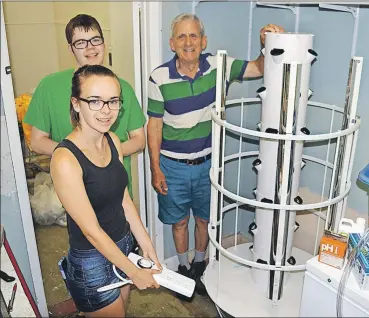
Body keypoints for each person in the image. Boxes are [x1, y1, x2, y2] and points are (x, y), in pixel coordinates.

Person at [147, 13, 284, 297]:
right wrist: (155, 169)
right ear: (172, 43)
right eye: (182, 37)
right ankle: (183, 268)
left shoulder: (219, 65)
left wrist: (268, 43)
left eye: (194, 36)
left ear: (203, 41)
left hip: (208, 165)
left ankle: (200, 263)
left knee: (203, 220)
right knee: (180, 222)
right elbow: (155, 125)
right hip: (172, 166)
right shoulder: (158, 77)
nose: (188, 42)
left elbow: (259, 68)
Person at [50, 64, 162, 317]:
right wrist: (134, 272)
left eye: (113, 101)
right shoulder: (66, 160)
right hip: (93, 260)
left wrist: (145, 243)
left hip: (123, 245)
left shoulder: (112, 140)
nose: (107, 110)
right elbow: (90, 231)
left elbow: (123, 197)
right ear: (76, 103)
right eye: (95, 101)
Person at [24, 14, 145, 200]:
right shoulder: (49, 87)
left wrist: (107, 155)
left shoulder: (124, 89)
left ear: (104, 43)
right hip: (74, 186)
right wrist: (79, 156)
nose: (90, 47)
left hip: (117, 187)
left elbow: (139, 139)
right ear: (71, 48)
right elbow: (37, 141)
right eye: (80, 42)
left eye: (95, 40)